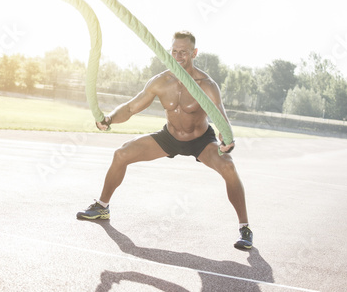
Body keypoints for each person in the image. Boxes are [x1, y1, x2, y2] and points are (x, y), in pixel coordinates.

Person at [76, 31, 253, 249]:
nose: (178, 56)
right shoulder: (161, 81)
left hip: (201, 141)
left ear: (194, 53)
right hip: (170, 137)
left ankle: (244, 228)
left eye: (184, 52)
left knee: (228, 166)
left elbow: (221, 118)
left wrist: (227, 140)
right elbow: (132, 107)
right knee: (121, 154)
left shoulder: (206, 84)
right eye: (175, 51)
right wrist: (110, 118)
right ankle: (102, 207)